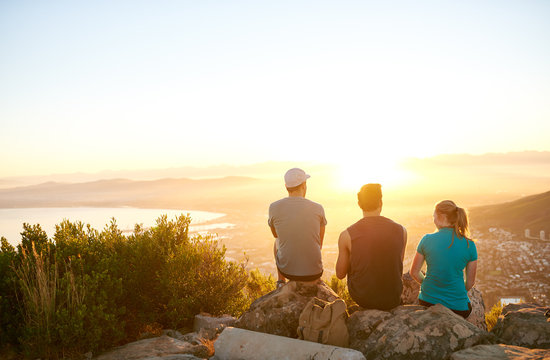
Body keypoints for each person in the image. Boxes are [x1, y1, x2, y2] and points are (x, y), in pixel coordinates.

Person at [335, 183, 407, 310]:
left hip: (363, 298)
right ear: (381, 202)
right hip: (393, 298)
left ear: (359, 204)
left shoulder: (346, 235)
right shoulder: (401, 230)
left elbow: (340, 274)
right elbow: (398, 264)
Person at [410, 200, 478, 319]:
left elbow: (414, 272)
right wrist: (456, 293)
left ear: (441, 217)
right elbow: (470, 282)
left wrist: (428, 284)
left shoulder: (426, 239)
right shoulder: (469, 245)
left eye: (434, 216)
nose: (433, 219)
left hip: (427, 301)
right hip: (458, 309)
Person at [269, 168, 327, 288]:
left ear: (286, 186)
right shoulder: (318, 208)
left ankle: (281, 281)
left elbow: (276, 235)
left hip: (287, 272)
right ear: (304, 185)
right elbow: (319, 243)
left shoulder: (274, 207)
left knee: (277, 241)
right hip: (314, 273)